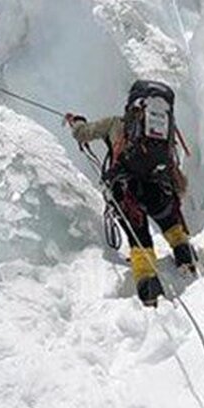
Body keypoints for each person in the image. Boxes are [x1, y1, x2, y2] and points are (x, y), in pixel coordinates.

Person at [65, 79, 197, 308]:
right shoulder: (162, 131)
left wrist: (76, 122)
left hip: (126, 189)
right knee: (170, 224)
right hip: (159, 187)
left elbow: (83, 134)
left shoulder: (116, 124)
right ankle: (186, 260)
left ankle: (149, 293)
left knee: (139, 238)